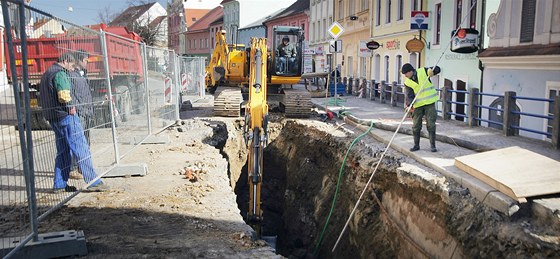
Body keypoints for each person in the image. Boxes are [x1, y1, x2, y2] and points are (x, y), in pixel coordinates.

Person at [39, 52, 109, 192]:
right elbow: (64, 95)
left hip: (53, 117)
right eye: (71, 66)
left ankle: (59, 185)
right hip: (66, 116)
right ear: (65, 61)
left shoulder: (47, 73)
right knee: (81, 148)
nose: (72, 69)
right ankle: (93, 181)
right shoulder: (60, 73)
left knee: (63, 151)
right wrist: (71, 107)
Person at [401, 63, 441, 152]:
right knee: (416, 126)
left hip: (429, 103)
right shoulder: (407, 82)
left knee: (431, 124)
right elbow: (409, 95)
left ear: (410, 71)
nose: (405, 76)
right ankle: (416, 145)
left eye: (406, 73)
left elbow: (437, 68)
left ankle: (433, 146)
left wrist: (432, 72)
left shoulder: (423, 71)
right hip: (417, 105)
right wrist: (409, 105)